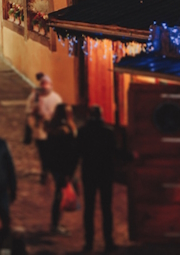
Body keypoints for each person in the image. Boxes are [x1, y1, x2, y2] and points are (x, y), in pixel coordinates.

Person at [78, 106, 117, 253]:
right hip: (105, 173)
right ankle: (108, 241)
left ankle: (89, 242)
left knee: (89, 208)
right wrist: (131, 156)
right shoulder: (108, 132)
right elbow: (115, 151)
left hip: (89, 173)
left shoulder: (83, 132)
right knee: (107, 209)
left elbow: (78, 152)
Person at [46, 104, 79, 235]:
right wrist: (68, 173)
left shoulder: (53, 128)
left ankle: (55, 223)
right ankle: (55, 225)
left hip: (56, 167)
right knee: (60, 196)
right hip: (63, 169)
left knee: (59, 195)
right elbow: (70, 153)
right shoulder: (64, 130)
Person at [26, 74, 62, 184]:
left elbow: (59, 114)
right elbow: (28, 111)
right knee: (43, 152)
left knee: (51, 152)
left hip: (52, 130)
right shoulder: (34, 97)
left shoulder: (56, 98)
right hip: (40, 130)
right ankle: (45, 170)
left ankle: (49, 169)